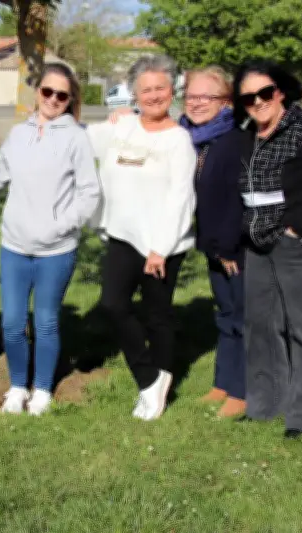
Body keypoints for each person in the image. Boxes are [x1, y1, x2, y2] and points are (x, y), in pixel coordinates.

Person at [232, 60, 302, 439]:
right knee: (260, 323)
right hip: (257, 241)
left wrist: (299, 225)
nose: (257, 102)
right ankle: (266, 404)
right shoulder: (247, 129)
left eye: (265, 93)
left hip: (299, 239)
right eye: (248, 97)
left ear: (280, 91)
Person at [87, 54, 197, 421]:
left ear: (172, 91)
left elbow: (182, 197)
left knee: (158, 314)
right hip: (122, 234)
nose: (153, 95)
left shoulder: (179, 140)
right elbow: (82, 142)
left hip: (161, 244)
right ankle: (149, 377)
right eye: (145, 89)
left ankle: (160, 382)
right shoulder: (122, 128)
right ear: (134, 94)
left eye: (160, 88)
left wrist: (160, 249)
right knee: (112, 305)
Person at [0, 63, 101, 415]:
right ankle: (17, 385)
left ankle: (42, 389)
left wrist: (61, 226)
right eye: (47, 92)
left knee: (46, 321)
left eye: (62, 95)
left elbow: (89, 193)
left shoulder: (76, 137)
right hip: (14, 247)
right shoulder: (18, 135)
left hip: (56, 250)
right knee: (11, 323)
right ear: (37, 92)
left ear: (70, 100)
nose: (53, 99)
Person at [178, 67, 246, 418]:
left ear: (226, 103)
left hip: (235, 247)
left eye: (207, 97)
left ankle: (242, 392)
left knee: (242, 316)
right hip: (214, 243)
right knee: (225, 315)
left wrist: (230, 245)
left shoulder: (234, 141)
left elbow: (240, 198)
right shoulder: (194, 138)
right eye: (192, 95)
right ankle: (222, 383)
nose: (197, 103)